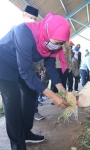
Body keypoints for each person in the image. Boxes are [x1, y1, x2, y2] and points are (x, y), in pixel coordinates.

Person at [0, 12, 70, 150]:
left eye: (61, 43)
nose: (57, 46)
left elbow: (50, 66)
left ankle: (26, 132)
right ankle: (17, 144)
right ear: (48, 31)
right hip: (4, 64)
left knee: (32, 94)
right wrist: (51, 95)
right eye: (57, 42)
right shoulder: (24, 33)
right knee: (12, 101)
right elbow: (26, 72)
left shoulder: (52, 43)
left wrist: (61, 89)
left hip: (22, 65)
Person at [23, 5, 44, 121]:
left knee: (34, 90)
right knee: (23, 93)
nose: (33, 21)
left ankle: (34, 111)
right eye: (31, 17)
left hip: (34, 68)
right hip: (20, 68)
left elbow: (39, 49)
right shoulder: (17, 29)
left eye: (35, 19)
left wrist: (40, 66)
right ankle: (23, 115)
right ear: (24, 15)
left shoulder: (36, 31)